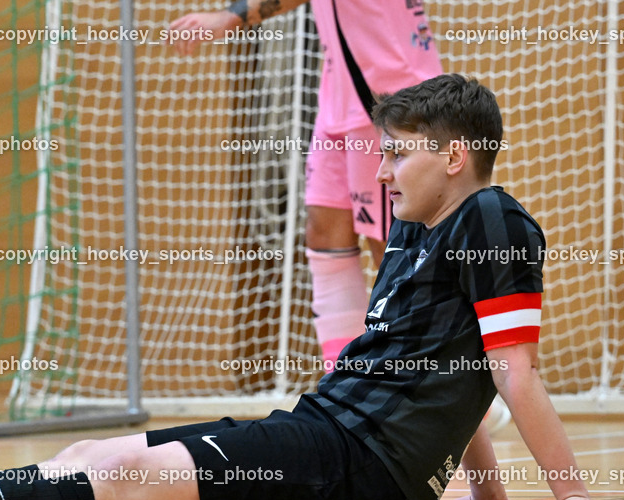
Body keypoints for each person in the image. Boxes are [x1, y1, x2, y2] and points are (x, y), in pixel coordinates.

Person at [0, 75, 624, 500]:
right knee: (91, 451)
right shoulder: (419, 232)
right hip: (325, 433)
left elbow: (509, 368)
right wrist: (485, 491)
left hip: (354, 465)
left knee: (120, 481)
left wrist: (569, 493)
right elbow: (453, 370)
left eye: (398, 154)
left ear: (455, 157)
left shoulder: (494, 220)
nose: (381, 171)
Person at [170, 0, 443, 366]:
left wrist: (227, 17)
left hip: (388, 96)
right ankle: (343, 379)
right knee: (324, 234)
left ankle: (425, 378)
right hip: (341, 96)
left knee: (392, 250)